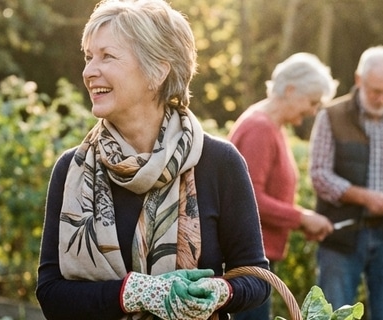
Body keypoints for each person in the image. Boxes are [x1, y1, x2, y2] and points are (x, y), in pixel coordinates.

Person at [35, 0, 271, 319]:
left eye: (107, 56)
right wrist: (137, 293)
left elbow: (257, 278)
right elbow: (51, 293)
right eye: (89, 57)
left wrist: (219, 291)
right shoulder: (72, 169)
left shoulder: (218, 162)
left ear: (157, 71)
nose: (89, 71)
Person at [308, 46, 383, 320]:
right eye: (376, 91)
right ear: (359, 79)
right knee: (331, 315)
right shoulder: (332, 115)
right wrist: (365, 197)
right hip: (342, 236)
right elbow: (319, 175)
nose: (382, 98)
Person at [227, 52, 337, 320]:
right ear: (289, 90)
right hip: (249, 260)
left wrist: (301, 222)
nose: (313, 111)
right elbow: (251, 200)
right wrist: (302, 218)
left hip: (258, 257)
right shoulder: (260, 128)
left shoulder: (272, 126)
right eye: (312, 102)